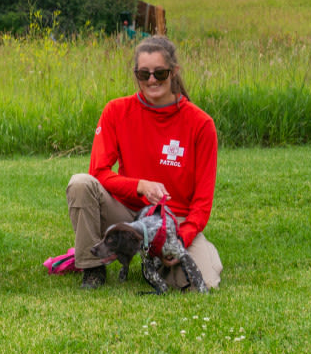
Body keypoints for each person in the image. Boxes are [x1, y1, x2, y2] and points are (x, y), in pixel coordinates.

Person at [67, 35, 223, 290]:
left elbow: (203, 203)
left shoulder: (201, 124)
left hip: (174, 221)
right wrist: (139, 185)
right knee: (81, 183)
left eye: (160, 73)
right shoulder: (116, 111)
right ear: (136, 75)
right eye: (144, 74)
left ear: (174, 73)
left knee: (202, 283)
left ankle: (185, 253)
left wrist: (179, 240)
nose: (152, 80)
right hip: (127, 216)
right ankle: (91, 267)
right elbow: (99, 172)